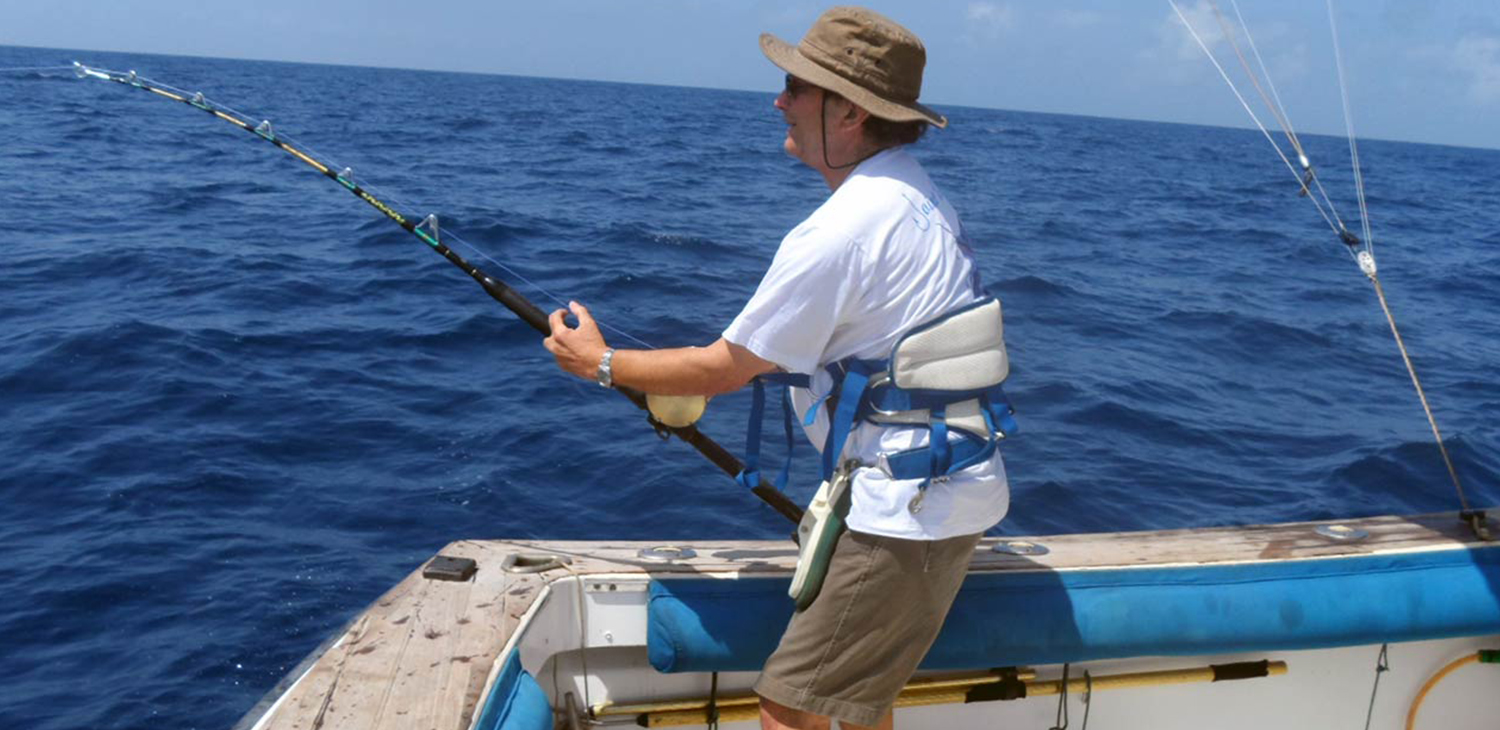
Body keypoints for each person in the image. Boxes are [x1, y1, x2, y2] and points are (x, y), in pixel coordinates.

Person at [544, 6, 1010, 730]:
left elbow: (725, 367)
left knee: (790, 707)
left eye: (797, 85)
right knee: (852, 704)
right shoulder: (915, 194)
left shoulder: (842, 230)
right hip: (940, 483)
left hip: (907, 509)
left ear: (849, 111)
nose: (780, 101)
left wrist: (601, 363)